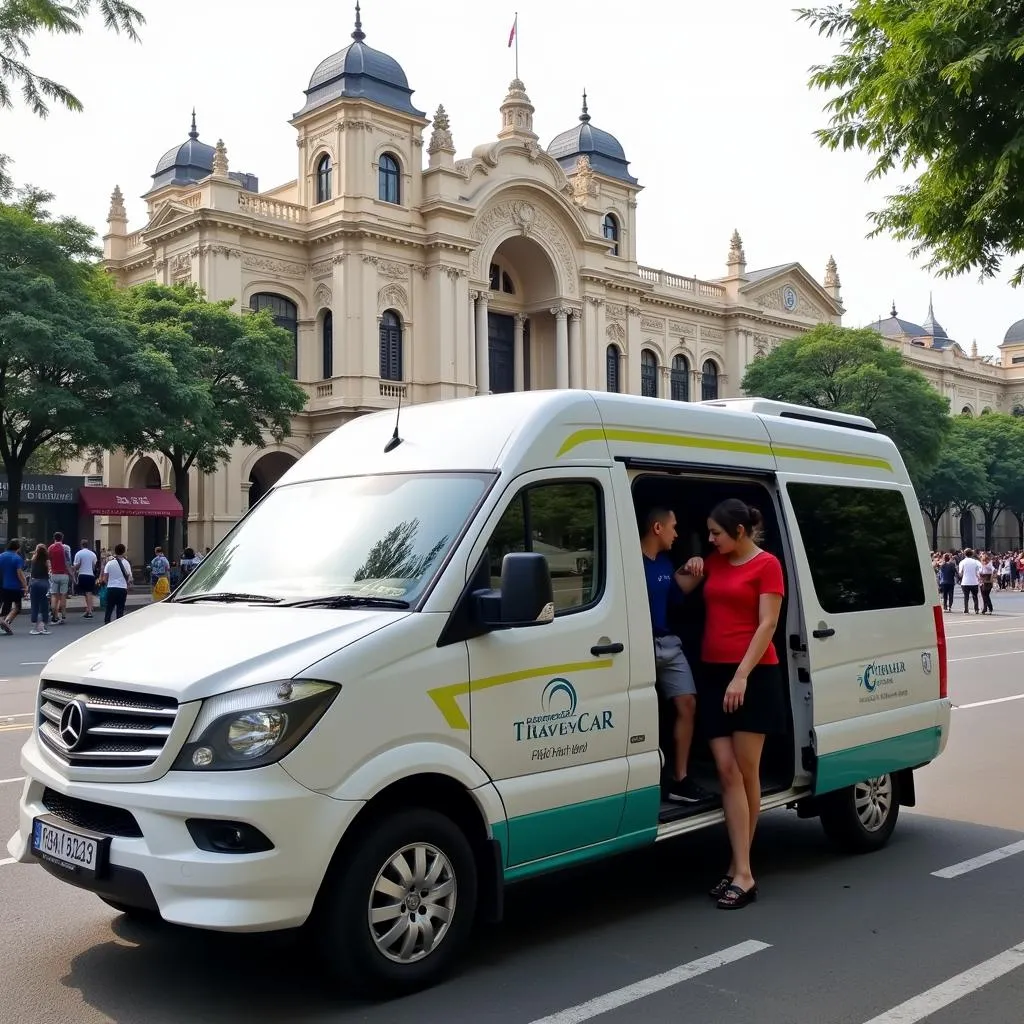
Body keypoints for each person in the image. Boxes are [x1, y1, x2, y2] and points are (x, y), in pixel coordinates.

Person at [681, 500, 786, 910]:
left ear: (739, 531)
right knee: (725, 770)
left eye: (716, 533)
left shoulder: (767, 565)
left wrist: (741, 675)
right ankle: (739, 866)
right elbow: (675, 588)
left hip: (754, 676)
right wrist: (689, 563)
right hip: (712, 673)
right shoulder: (714, 560)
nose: (710, 539)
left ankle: (742, 870)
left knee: (745, 772)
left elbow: (768, 624)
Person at [640, 508, 712, 804]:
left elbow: (677, 591)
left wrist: (698, 566)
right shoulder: (629, 560)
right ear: (657, 528)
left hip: (667, 644)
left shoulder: (665, 562)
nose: (677, 533)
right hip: (637, 646)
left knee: (687, 702)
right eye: (673, 527)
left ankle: (680, 779)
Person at [100, 544, 132, 623]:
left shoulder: (110, 563)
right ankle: (118, 626)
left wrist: (108, 584)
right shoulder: (126, 563)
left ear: (115, 551)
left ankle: (107, 625)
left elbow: (105, 578)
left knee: (109, 609)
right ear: (124, 551)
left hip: (111, 588)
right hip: (122, 589)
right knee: (120, 609)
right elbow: (130, 577)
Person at [0, 539, 27, 635]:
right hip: (15, 586)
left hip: (3, 585)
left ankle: (3, 620)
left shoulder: (1, 556)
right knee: (17, 607)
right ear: (18, 548)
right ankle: (5, 621)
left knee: (6, 605)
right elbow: (20, 573)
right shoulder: (17, 558)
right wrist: (25, 585)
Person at [47, 531, 72, 624]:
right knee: (63, 595)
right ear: (62, 538)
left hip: (54, 574)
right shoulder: (66, 548)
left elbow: (48, 560)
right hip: (64, 574)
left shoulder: (50, 547)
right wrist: (72, 574)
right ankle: (63, 615)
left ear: (54, 538)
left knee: (54, 595)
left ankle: (54, 615)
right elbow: (68, 562)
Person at [28, 544, 51, 635]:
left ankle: (35, 627)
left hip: (34, 582)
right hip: (44, 583)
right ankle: (43, 626)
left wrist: (28, 585)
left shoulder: (33, 559)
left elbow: (31, 573)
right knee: (44, 605)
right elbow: (49, 571)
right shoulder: (46, 560)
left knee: (34, 605)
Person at [73, 540, 99, 619]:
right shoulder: (92, 554)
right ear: (88, 545)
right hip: (90, 575)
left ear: (81, 545)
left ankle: (89, 610)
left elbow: (76, 566)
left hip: (82, 575)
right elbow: (94, 566)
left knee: (86, 593)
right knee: (89, 593)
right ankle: (89, 609)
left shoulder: (79, 553)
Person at [958, 548, 983, 614]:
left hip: (965, 581)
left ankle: (966, 609)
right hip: (974, 581)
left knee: (966, 596)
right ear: (972, 554)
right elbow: (980, 570)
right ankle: (976, 609)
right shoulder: (975, 562)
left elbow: (960, 573)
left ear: (964, 554)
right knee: (975, 596)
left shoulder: (962, 562)